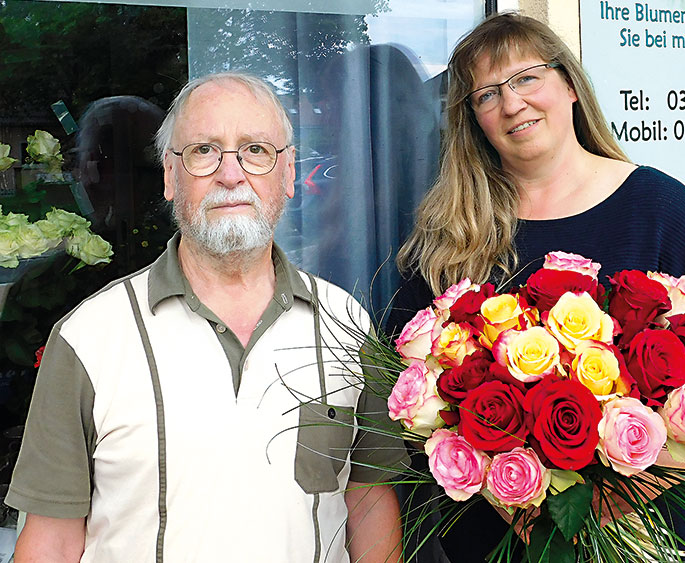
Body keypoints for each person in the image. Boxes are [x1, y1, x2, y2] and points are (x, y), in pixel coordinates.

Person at [386, 12, 685, 563]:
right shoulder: (450, 237)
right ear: (474, 122)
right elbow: (410, 406)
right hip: (500, 543)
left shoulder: (661, 209)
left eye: (526, 78)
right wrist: (511, 494)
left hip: (652, 534)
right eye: (486, 95)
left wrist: (622, 494)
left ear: (569, 85)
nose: (511, 104)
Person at [7, 71, 408, 562]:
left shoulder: (346, 324)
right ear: (170, 177)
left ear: (287, 175)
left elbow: (369, 501)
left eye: (256, 150)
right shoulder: (89, 338)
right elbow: (50, 540)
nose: (231, 173)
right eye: (203, 151)